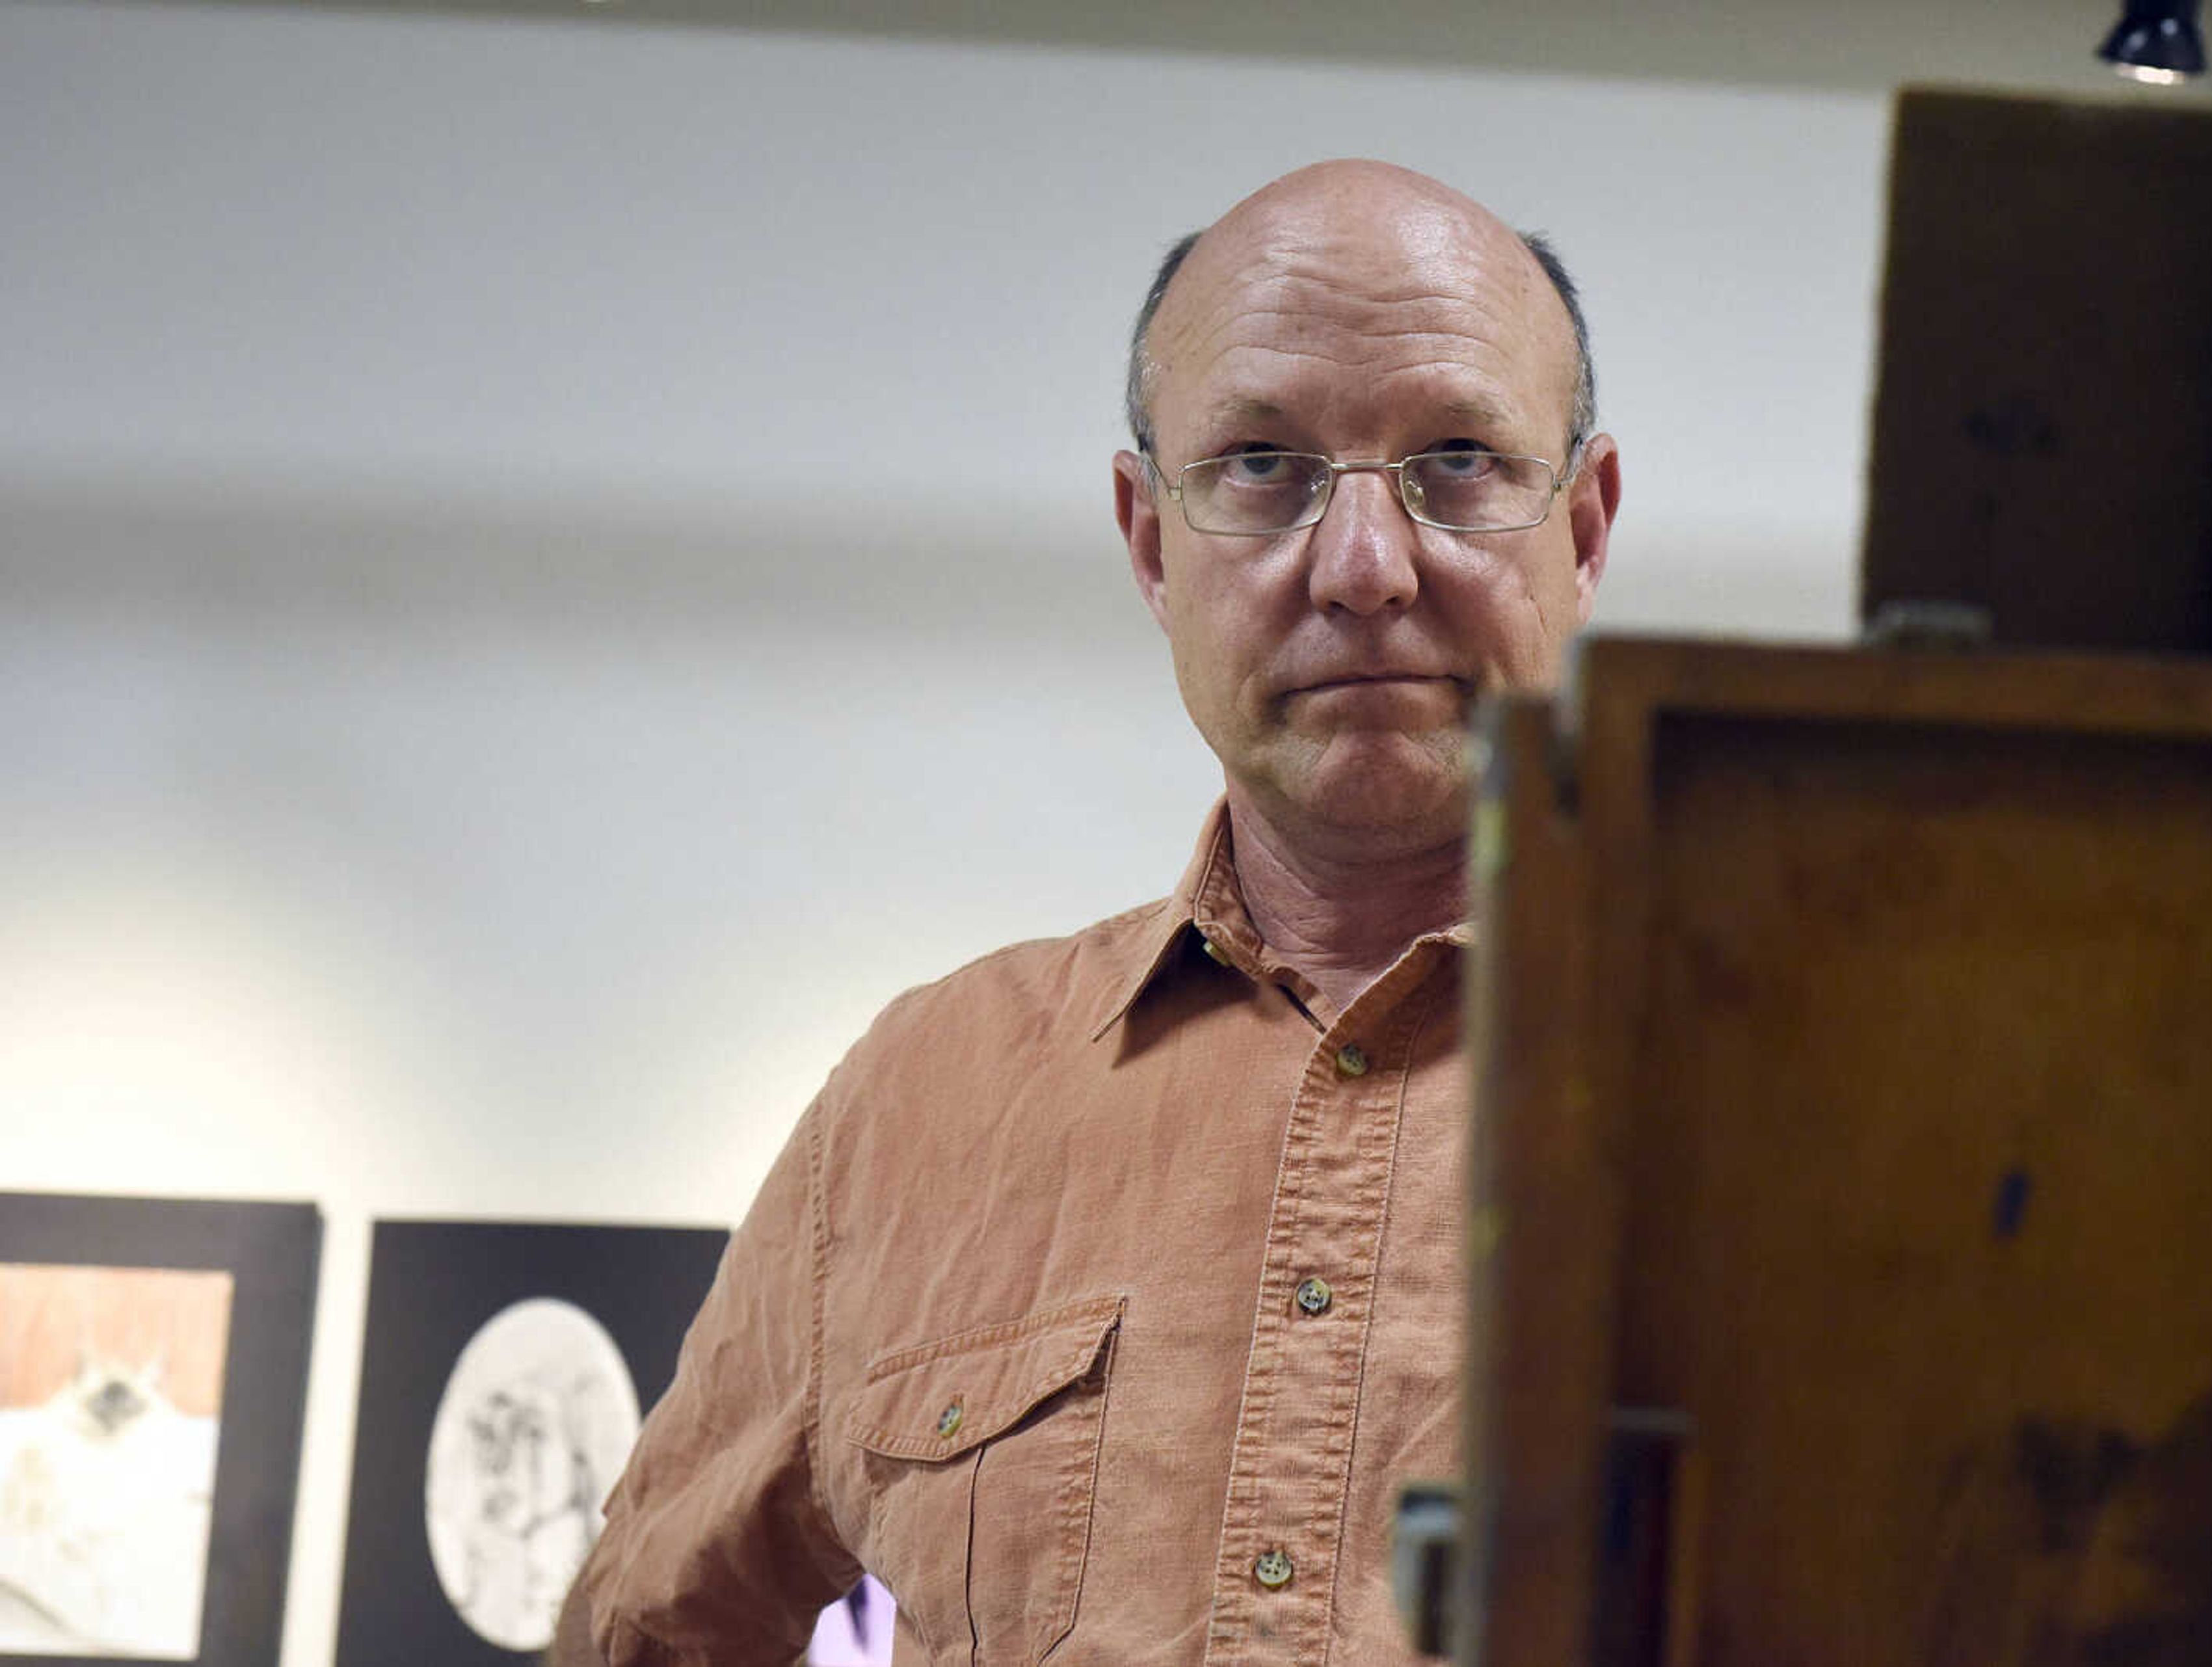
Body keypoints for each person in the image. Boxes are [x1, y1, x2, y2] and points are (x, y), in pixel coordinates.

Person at [552, 157, 1620, 1666]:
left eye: (1456, 461)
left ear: (1584, 525)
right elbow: (645, 1635)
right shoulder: (919, 1102)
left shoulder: (1806, 1087)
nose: (1367, 568)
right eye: (1263, 466)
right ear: (1146, 537)